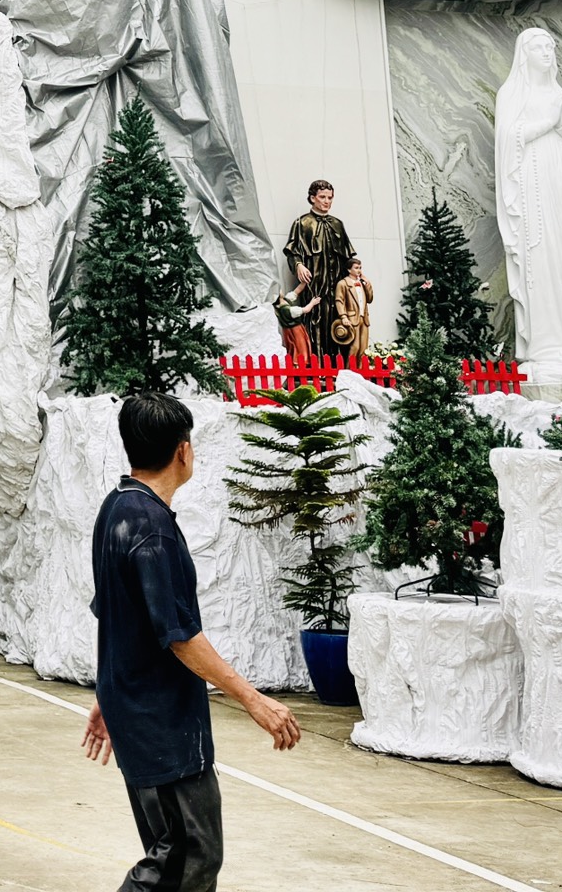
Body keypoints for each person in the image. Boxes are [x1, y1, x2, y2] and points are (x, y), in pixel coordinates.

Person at [83, 393, 301, 892]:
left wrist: (108, 695)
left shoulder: (115, 509)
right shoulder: (152, 531)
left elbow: (116, 616)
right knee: (186, 858)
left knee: (173, 853)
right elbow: (179, 636)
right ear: (183, 451)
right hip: (162, 724)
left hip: (135, 710)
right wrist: (254, 700)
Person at [282, 180, 357, 359]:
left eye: (330, 198)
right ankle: (315, 362)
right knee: (315, 320)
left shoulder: (338, 224)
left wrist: (354, 278)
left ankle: (338, 363)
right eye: (322, 197)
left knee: (338, 318)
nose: (326, 201)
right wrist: (299, 265)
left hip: (337, 284)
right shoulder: (302, 223)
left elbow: (348, 257)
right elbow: (292, 251)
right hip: (314, 283)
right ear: (312, 198)